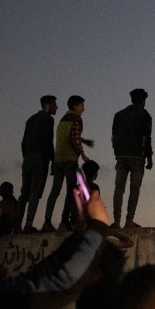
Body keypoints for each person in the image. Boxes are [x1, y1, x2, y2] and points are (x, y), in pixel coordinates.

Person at [43, 95, 94, 232]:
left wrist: (84, 141)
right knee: (71, 190)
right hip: (70, 159)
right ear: (75, 106)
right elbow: (74, 138)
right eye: (81, 106)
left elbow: (69, 135)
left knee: (55, 191)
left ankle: (47, 220)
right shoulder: (77, 119)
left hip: (58, 158)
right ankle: (65, 220)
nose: (83, 109)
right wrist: (82, 153)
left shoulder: (63, 120)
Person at [111, 88, 154, 227]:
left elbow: (113, 136)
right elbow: (147, 138)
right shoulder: (145, 115)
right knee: (134, 189)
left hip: (121, 156)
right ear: (143, 101)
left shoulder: (119, 115)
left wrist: (116, 152)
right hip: (137, 156)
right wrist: (149, 157)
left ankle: (116, 221)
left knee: (119, 188)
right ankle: (129, 221)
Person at [19, 95, 57, 233]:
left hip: (27, 158)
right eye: (54, 104)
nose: (56, 107)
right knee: (35, 192)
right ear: (48, 105)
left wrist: (26, 157)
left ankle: (17, 225)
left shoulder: (31, 119)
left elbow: (23, 143)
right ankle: (28, 224)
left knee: (24, 194)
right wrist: (53, 160)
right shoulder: (48, 119)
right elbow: (48, 142)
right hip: (40, 159)